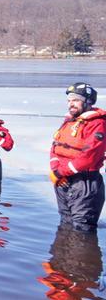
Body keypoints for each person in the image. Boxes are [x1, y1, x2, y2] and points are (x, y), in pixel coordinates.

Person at [50, 82, 106, 232]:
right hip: (63, 181)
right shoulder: (69, 122)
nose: (71, 104)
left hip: (84, 183)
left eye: (75, 100)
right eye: (69, 101)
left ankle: (83, 255)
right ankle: (60, 256)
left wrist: (60, 172)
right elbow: (55, 146)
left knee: (81, 229)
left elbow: (90, 155)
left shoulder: (96, 124)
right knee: (65, 224)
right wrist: (55, 169)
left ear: (87, 101)